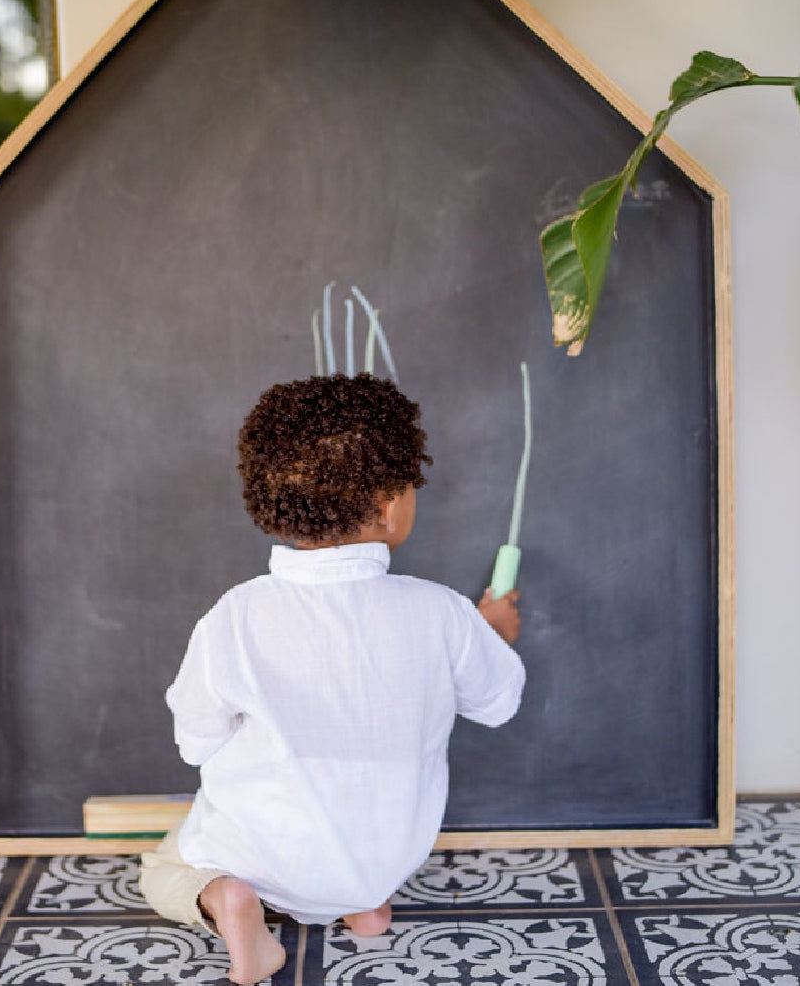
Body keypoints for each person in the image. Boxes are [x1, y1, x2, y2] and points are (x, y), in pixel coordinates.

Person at [140, 373, 525, 984]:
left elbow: (196, 739)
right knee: (352, 816)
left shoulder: (234, 616)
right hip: (385, 859)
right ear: (389, 504)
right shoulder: (442, 610)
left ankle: (230, 905)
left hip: (266, 855)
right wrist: (492, 634)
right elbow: (497, 702)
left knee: (166, 862)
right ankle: (365, 907)